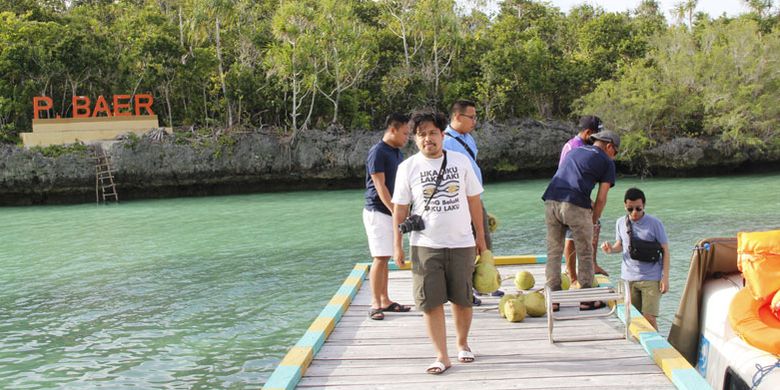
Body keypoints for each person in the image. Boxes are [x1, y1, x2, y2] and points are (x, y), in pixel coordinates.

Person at [392, 108, 486, 375]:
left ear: (442, 135)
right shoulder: (407, 168)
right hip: (425, 245)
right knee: (430, 302)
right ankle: (441, 355)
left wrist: (480, 237)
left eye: (433, 133)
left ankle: (463, 343)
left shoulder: (461, 161)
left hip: (461, 242)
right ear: (414, 138)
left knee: (463, 299)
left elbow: (473, 201)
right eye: (421, 135)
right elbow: (400, 209)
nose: (427, 139)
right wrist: (397, 245)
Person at [541, 129, 620, 311]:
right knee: (585, 250)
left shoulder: (575, 151)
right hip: (575, 204)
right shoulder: (607, 162)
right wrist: (594, 219)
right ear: (609, 146)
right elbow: (601, 198)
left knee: (554, 250)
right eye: (615, 152)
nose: (614, 157)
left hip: (551, 199)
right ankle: (587, 298)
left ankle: (553, 299)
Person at [443, 99, 502, 303]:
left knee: (484, 239)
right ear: (458, 117)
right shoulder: (446, 141)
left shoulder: (468, 138)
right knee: (466, 245)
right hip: (459, 201)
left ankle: (490, 283)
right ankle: (469, 289)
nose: (475, 121)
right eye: (472, 117)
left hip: (475, 197)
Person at [363, 112, 412, 320]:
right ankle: (375, 303)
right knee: (380, 257)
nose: (407, 137)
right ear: (392, 130)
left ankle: (385, 299)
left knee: (386, 257)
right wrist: (394, 210)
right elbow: (379, 184)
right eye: (404, 133)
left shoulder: (397, 153)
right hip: (377, 211)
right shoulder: (378, 152)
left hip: (392, 211)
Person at [601, 187, 670, 330]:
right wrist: (611, 249)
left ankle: (656, 348)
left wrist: (665, 278)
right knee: (634, 318)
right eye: (630, 209)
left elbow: (665, 251)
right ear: (625, 206)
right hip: (628, 277)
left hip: (651, 277)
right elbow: (621, 246)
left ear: (644, 205)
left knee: (649, 318)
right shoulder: (620, 222)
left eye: (638, 209)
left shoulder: (655, 224)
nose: (634, 213)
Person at [559, 116, 610, 284]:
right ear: (588, 133)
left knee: (595, 224)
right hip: (568, 197)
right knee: (571, 236)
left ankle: (591, 265)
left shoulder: (579, 146)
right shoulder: (577, 147)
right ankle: (572, 275)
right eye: (596, 136)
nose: (599, 140)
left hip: (576, 195)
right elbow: (572, 179)